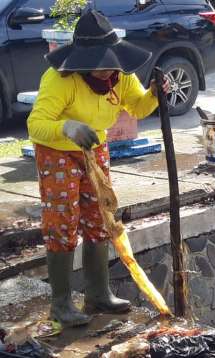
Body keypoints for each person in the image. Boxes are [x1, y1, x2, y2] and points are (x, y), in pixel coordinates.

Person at [27, 10, 169, 327]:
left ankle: (98, 293)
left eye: (111, 64)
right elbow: (35, 124)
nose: (108, 72)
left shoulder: (120, 75)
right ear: (83, 61)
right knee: (63, 221)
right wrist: (67, 127)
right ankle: (61, 303)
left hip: (94, 147)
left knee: (99, 216)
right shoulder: (60, 79)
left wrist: (156, 94)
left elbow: (138, 107)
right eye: (101, 66)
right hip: (57, 151)